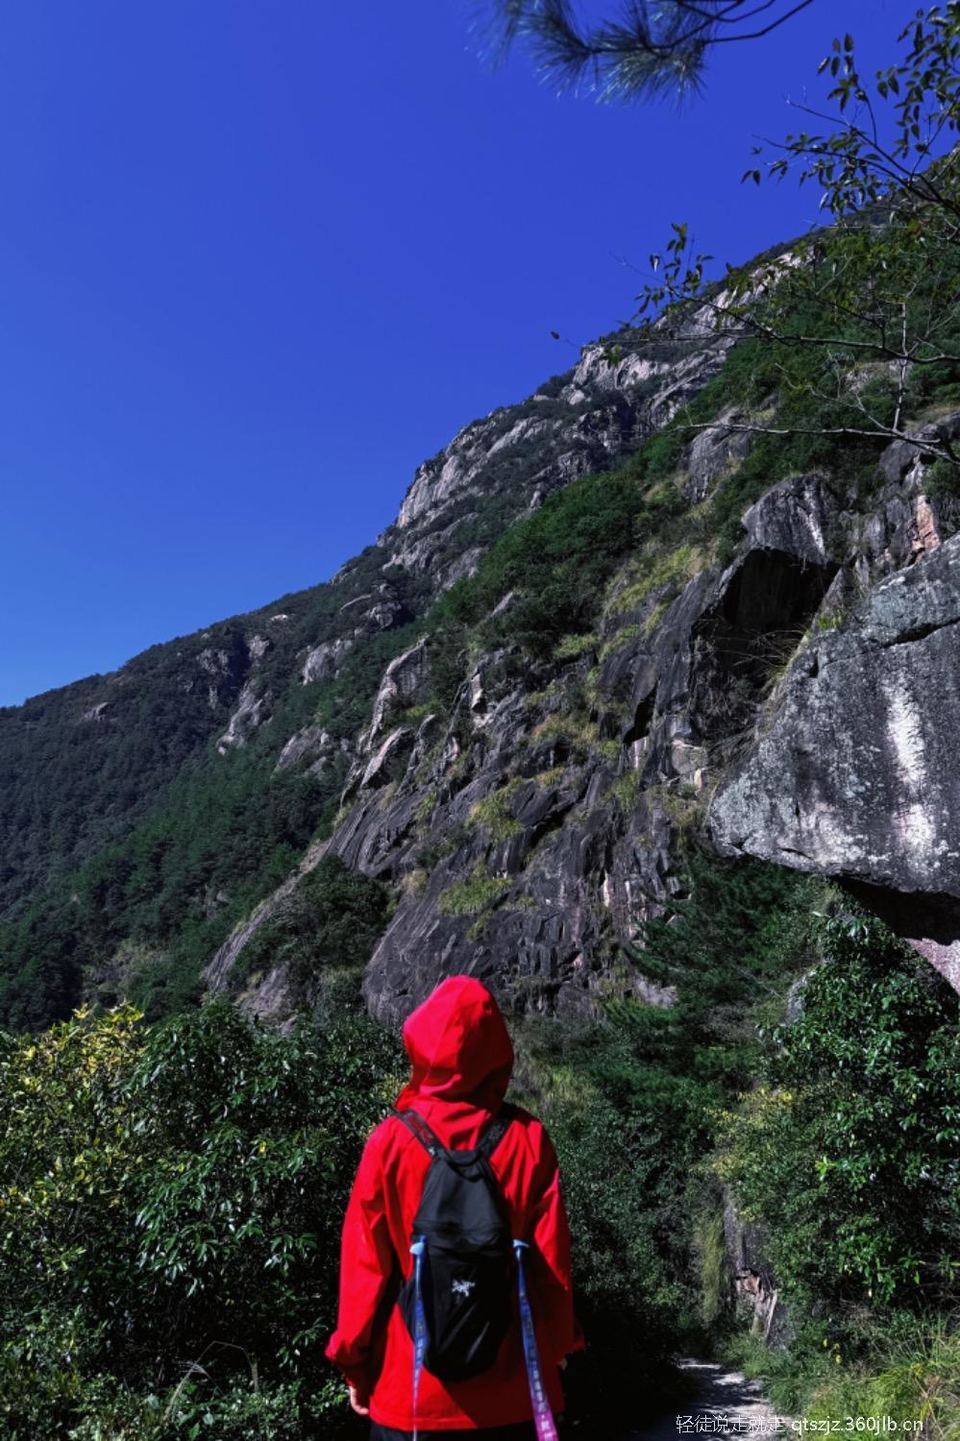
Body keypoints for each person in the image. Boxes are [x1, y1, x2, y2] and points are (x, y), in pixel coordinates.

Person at [326, 974, 583, 1439]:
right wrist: (559, 1346)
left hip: (408, 1394)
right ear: (497, 1051)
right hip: (510, 1395)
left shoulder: (390, 1141)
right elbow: (551, 1264)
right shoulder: (528, 1140)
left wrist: (353, 1363)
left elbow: (365, 1267)